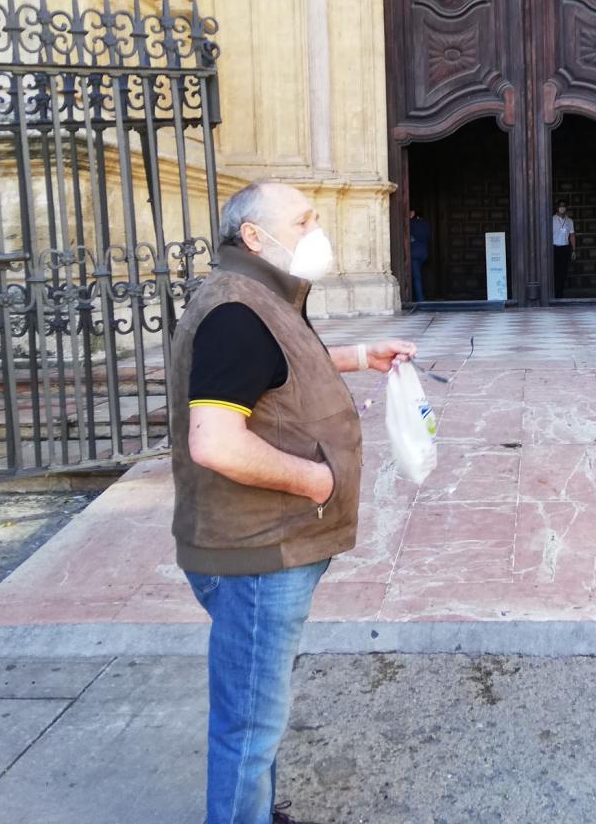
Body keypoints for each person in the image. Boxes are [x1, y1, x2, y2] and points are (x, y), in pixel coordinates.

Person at [171, 182, 417, 824]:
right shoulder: (237, 312)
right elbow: (216, 443)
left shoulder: (261, 297)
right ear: (254, 237)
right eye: (303, 220)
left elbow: (277, 367)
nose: (316, 231)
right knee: (249, 723)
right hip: (257, 549)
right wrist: (318, 483)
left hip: (269, 540)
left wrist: (360, 357)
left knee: (259, 705)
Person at [552, 200, 576, 299]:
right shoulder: (551, 220)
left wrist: (574, 250)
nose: (562, 208)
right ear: (557, 208)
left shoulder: (569, 221)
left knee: (563, 272)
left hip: (565, 248)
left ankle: (560, 293)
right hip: (554, 248)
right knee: (554, 272)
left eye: (564, 206)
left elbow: (572, 236)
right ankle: (552, 293)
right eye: (560, 206)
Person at [408, 208, 431, 304]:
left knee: (416, 277)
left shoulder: (410, 223)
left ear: (413, 212)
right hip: (424, 252)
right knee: (418, 276)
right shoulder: (425, 223)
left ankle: (420, 299)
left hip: (414, 253)